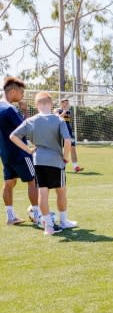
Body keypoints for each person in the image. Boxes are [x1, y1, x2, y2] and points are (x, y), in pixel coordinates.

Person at [9, 92, 77, 235]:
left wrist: (28, 150)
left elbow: (13, 136)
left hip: (38, 160)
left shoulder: (30, 121)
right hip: (56, 161)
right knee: (61, 191)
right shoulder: (59, 120)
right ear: (51, 104)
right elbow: (68, 141)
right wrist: (65, 157)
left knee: (43, 193)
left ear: (36, 105)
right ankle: (63, 221)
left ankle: (48, 227)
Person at [0, 77, 40, 225]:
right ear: (13, 91)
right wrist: (25, 111)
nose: (23, 95)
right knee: (33, 180)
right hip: (20, 152)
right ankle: (37, 215)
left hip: (5, 154)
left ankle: (10, 217)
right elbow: (25, 128)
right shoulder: (10, 109)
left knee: (9, 183)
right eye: (21, 92)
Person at [57, 98, 83, 172]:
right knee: (60, 150)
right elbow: (58, 118)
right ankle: (60, 166)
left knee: (73, 148)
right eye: (66, 103)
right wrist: (64, 111)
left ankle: (76, 167)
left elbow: (67, 122)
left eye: (68, 103)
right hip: (61, 134)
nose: (68, 105)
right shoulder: (57, 110)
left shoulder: (69, 112)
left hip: (69, 133)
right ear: (61, 104)